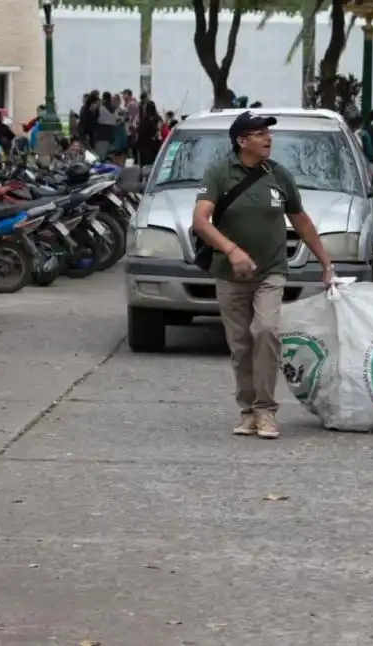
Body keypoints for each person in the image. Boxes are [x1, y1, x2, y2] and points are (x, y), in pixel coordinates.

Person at [192, 111, 335, 438]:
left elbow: (301, 220)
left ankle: (267, 411)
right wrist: (231, 250)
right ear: (241, 141)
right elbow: (201, 221)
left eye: (268, 132)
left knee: (267, 330)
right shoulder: (219, 173)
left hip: (271, 270)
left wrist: (326, 262)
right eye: (259, 133)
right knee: (240, 344)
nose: (268, 138)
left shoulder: (279, 175)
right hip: (230, 274)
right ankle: (248, 411)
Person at [135, 101, 162, 166]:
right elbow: (159, 133)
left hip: (144, 148)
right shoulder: (158, 119)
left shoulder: (144, 121)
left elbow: (138, 132)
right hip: (155, 147)